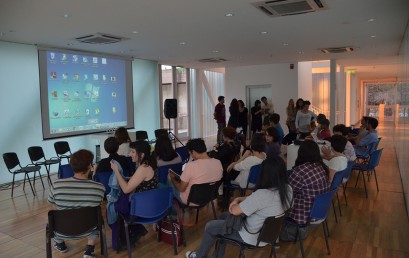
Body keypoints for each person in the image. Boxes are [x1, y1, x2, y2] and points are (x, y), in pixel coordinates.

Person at [185, 157, 293, 258]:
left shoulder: (263, 194)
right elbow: (262, 202)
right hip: (269, 236)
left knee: (210, 226)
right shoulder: (287, 189)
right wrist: (243, 198)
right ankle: (217, 255)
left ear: (265, 173)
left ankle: (199, 256)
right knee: (223, 217)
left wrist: (235, 200)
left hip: (250, 236)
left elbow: (234, 211)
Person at [48, 149, 105, 258]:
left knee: (55, 212)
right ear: (90, 166)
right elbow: (97, 206)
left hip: (62, 230)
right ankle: (89, 249)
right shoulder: (99, 187)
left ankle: (60, 243)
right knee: (95, 215)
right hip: (88, 229)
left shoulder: (57, 185)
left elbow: (52, 205)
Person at [287, 140, 330, 225]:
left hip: (302, 215)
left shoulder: (301, 171)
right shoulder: (322, 167)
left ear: (301, 153)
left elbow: (288, 191)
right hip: (319, 212)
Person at [168, 138, 223, 205]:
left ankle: (175, 211)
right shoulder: (218, 162)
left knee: (169, 181)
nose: (191, 156)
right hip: (210, 197)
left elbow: (181, 189)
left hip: (192, 200)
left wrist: (172, 178)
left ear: (193, 151)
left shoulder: (191, 166)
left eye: (190, 153)